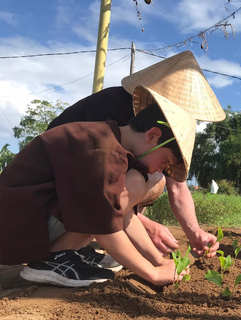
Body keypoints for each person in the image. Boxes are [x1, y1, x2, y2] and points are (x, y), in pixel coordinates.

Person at [0, 85, 195, 287]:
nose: (159, 170)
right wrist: (153, 273)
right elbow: (104, 226)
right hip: (15, 228)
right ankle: (54, 258)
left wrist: (159, 261)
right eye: (165, 160)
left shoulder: (108, 139)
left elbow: (125, 216)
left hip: (26, 221)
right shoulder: (105, 151)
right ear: (152, 135)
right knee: (135, 183)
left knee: (135, 184)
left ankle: (67, 250)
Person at [47, 50, 224, 259]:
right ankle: (59, 253)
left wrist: (195, 233)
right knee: (141, 178)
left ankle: (78, 246)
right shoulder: (110, 110)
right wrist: (145, 227)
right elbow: (97, 190)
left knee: (154, 177)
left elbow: (177, 185)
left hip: (77, 203)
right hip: (46, 208)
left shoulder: (158, 134)